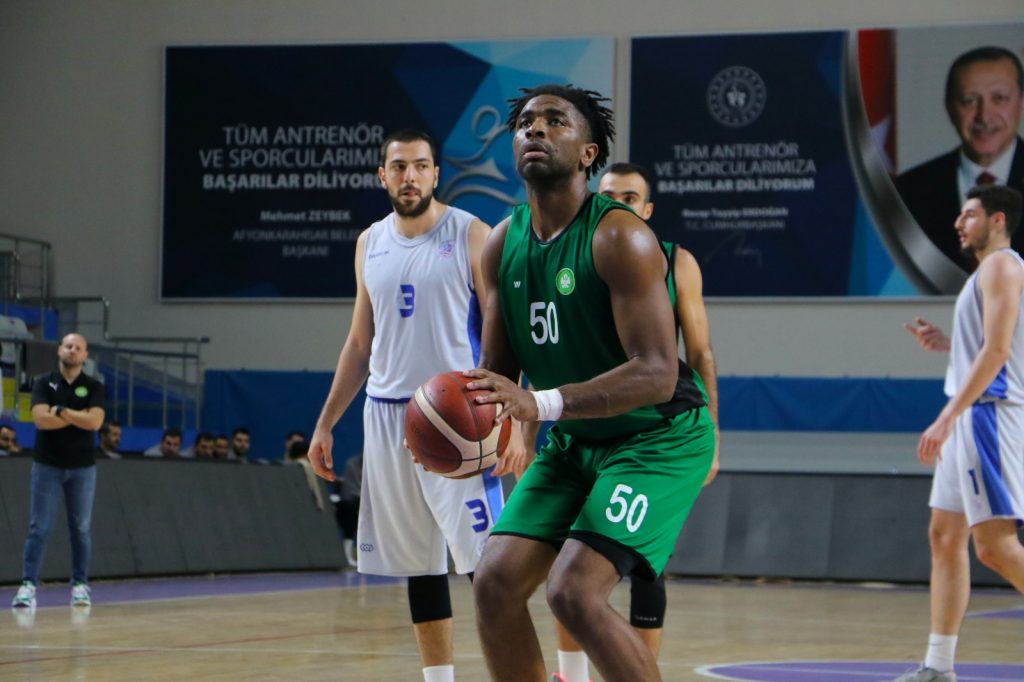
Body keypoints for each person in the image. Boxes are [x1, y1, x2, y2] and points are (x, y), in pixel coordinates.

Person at [467, 84, 715, 682]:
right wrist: (456, 428)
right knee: (493, 583)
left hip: (657, 438)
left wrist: (541, 403)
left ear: (588, 154)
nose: (535, 129)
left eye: (555, 121)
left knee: (573, 592)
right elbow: (498, 372)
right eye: (526, 122)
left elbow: (658, 372)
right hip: (576, 438)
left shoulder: (619, 236)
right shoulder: (502, 244)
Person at [307, 128, 519, 682]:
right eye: (399, 166)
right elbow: (360, 342)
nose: (410, 176)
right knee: (419, 568)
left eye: (420, 165)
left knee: (488, 569)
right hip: (388, 418)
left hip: (461, 417)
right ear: (383, 176)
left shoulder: (470, 233)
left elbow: (503, 330)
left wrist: (514, 420)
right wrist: (326, 423)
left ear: (435, 174)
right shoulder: (369, 242)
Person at [542, 162, 722, 682]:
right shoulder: (570, 256)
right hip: (586, 426)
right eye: (607, 195)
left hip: (653, 433)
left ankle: (638, 670)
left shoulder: (675, 263)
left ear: (647, 209)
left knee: (646, 566)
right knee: (567, 560)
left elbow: (701, 354)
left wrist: (715, 437)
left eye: (629, 197)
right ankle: (570, 676)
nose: (616, 204)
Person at [897, 184, 1024, 682]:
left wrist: (947, 417)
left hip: (985, 416)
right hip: (970, 414)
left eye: (969, 214)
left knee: (994, 547)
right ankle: (939, 666)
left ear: (997, 220)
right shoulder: (986, 273)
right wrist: (950, 345)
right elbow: (997, 346)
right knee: (943, 536)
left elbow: (997, 354)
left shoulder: (1002, 266)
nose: (958, 222)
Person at [896, 46, 1024, 272]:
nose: (984, 116)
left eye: (999, 98)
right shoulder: (909, 191)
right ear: (949, 108)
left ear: (1021, 103)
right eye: (969, 100)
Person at [11, 333, 105, 610]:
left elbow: (95, 423)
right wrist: (78, 416)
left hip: (82, 467)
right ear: (59, 350)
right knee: (39, 526)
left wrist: (62, 411)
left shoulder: (93, 386)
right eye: (68, 346)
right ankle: (28, 585)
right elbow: (41, 421)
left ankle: (80, 585)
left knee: (81, 528)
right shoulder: (43, 382)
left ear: (85, 355)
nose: (72, 350)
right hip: (47, 465)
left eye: (78, 347)